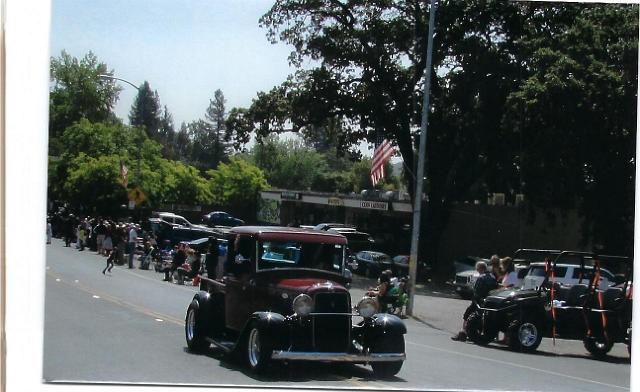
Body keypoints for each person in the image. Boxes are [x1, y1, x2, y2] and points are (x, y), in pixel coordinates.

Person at [451, 261, 498, 341]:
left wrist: (474, 297)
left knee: (467, 314)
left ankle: (463, 333)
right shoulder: (493, 277)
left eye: (477, 269)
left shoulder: (481, 277)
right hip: (490, 301)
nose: (477, 271)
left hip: (480, 301)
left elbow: (476, 291)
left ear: (480, 268)